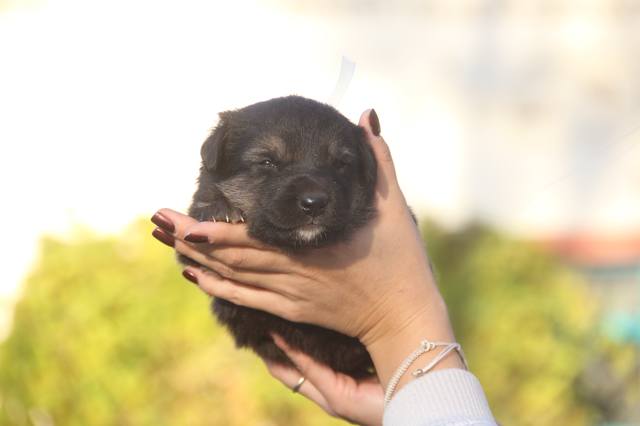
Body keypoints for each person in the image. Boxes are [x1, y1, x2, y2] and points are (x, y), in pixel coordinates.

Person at [151, 109, 497, 425]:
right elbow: (200, 254)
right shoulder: (221, 182)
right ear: (217, 164)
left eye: (339, 165)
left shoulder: (376, 214)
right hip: (289, 343)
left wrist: (398, 327)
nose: (313, 195)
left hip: (359, 360)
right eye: (268, 164)